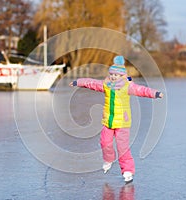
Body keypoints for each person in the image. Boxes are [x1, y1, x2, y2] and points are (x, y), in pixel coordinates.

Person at [69, 55, 163, 184]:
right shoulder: (106, 85)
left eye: (116, 75)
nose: (113, 77)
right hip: (108, 121)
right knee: (104, 143)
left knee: (122, 147)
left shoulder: (128, 86)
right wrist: (78, 82)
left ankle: (128, 170)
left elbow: (142, 90)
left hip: (122, 123)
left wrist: (155, 93)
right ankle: (108, 159)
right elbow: (91, 83)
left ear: (122, 76)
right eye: (112, 74)